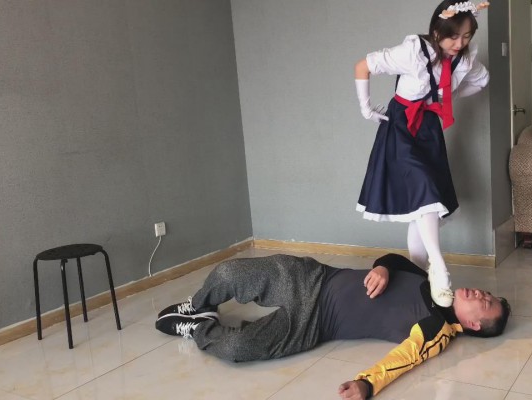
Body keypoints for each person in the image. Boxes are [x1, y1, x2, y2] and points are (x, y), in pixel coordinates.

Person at [155, 252, 510, 399]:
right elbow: (395, 259)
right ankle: (199, 305)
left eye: (486, 302)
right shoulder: (435, 284)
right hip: (314, 278)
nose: (482, 293)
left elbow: (404, 359)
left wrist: (367, 384)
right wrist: (383, 267)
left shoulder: (436, 329)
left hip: (312, 325)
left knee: (238, 348)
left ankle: (199, 327)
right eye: (488, 293)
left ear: (474, 325)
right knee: (229, 272)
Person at [354, 1, 491, 307]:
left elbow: (482, 81)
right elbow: (362, 66)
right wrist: (366, 109)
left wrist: (446, 97)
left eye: (467, 36)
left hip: (428, 128)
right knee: (425, 191)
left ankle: (418, 276)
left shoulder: (465, 58)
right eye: (453, 36)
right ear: (437, 31)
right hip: (401, 127)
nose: (460, 43)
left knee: (420, 211)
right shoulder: (414, 52)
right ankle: (438, 267)